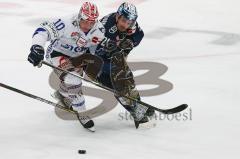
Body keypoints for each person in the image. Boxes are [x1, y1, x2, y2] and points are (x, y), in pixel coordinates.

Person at [27, 2, 105, 132]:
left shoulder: (99, 29)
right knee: (74, 80)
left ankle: (62, 94)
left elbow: (95, 49)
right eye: (85, 21)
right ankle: (81, 112)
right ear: (79, 17)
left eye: (92, 22)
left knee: (74, 83)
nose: (88, 26)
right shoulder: (66, 23)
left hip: (79, 57)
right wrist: (37, 47)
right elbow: (42, 30)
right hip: (57, 54)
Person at [96, 2, 155, 128]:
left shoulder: (131, 25)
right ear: (117, 16)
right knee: (119, 85)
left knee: (129, 80)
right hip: (97, 61)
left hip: (114, 59)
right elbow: (91, 47)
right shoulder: (104, 25)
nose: (126, 24)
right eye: (123, 20)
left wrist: (130, 42)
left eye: (129, 22)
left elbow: (139, 34)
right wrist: (109, 48)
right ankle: (136, 112)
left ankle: (139, 106)